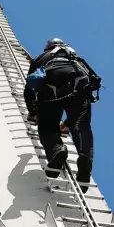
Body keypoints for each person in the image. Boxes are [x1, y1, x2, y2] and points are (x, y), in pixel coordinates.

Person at [24, 38, 101, 193]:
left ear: (48, 47)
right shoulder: (73, 55)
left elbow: (30, 83)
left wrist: (32, 109)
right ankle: (85, 159)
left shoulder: (42, 57)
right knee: (81, 125)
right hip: (78, 81)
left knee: (47, 128)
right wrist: (67, 123)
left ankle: (57, 150)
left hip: (51, 84)